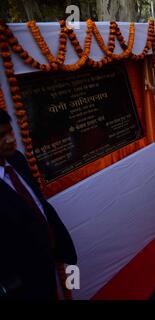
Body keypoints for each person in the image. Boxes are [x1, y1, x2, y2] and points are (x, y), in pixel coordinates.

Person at [0, 109, 77, 299]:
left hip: (49, 254)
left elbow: (38, 202)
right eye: (1, 136)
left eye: (10, 132)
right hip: (25, 279)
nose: (11, 139)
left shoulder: (17, 160)